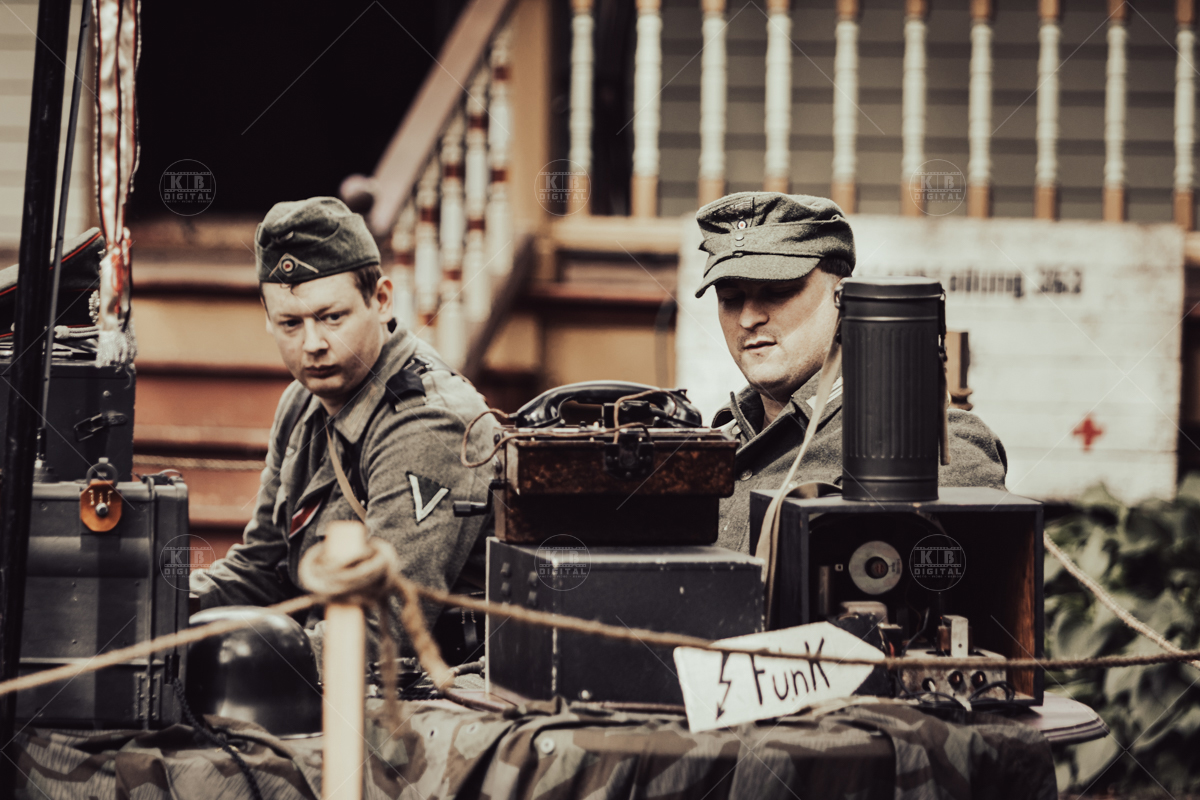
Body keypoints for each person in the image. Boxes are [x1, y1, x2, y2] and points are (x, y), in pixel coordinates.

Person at [190, 196, 498, 658]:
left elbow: (381, 630)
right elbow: (262, 570)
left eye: (331, 317)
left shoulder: (427, 422)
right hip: (326, 664)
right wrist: (162, 608)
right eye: (290, 323)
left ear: (381, 300)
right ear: (268, 319)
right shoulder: (302, 403)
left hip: (423, 686)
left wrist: (227, 656)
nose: (313, 344)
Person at [694, 192, 1008, 553]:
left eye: (778, 291)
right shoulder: (708, 446)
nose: (748, 318)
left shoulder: (917, 446)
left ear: (845, 299)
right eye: (730, 298)